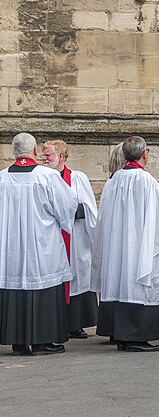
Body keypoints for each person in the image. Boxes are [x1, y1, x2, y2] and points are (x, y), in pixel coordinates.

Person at [93, 136, 159, 352]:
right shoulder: (146, 181)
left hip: (118, 248)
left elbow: (103, 218)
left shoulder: (113, 181)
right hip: (139, 247)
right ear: (144, 153)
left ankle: (123, 336)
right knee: (138, 286)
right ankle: (137, 336)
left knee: (121, 284)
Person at [0, 133, 77, 356]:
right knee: (42, 283)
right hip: (41, 245)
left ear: (13, 152)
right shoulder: (48, 176)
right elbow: (66, 206)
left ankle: (17, 341)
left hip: (10, 248)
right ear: (34, 152)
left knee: (14, 284)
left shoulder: (2, 178)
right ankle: (43, 340)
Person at [41, 140, 99, 340]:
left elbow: (89, 209)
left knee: (77, 275)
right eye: (43, 154)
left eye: (48, 155)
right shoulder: (40, 178)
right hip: (51, 238)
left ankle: (76, 324)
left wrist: (66, 211)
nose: (44, 158)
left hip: (75, 238)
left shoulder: (77, 179)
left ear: (61, 157)